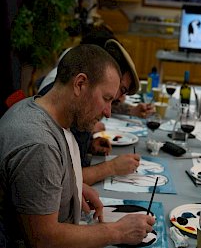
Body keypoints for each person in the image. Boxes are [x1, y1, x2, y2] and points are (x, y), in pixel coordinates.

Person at [0, 44, 155, 247]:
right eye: (106, 98)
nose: (108, 112)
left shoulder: (38, 108)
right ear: (80, 84)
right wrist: (116, 231)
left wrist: (71, 186)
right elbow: (44, 239)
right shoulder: (39, 144)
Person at [38, 37, 155, 185]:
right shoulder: (57, 118)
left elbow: (63, 167)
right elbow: (63, 181)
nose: (109, 112)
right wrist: (111, 167)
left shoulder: (74, 105)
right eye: (108, 97)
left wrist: (89, 145)